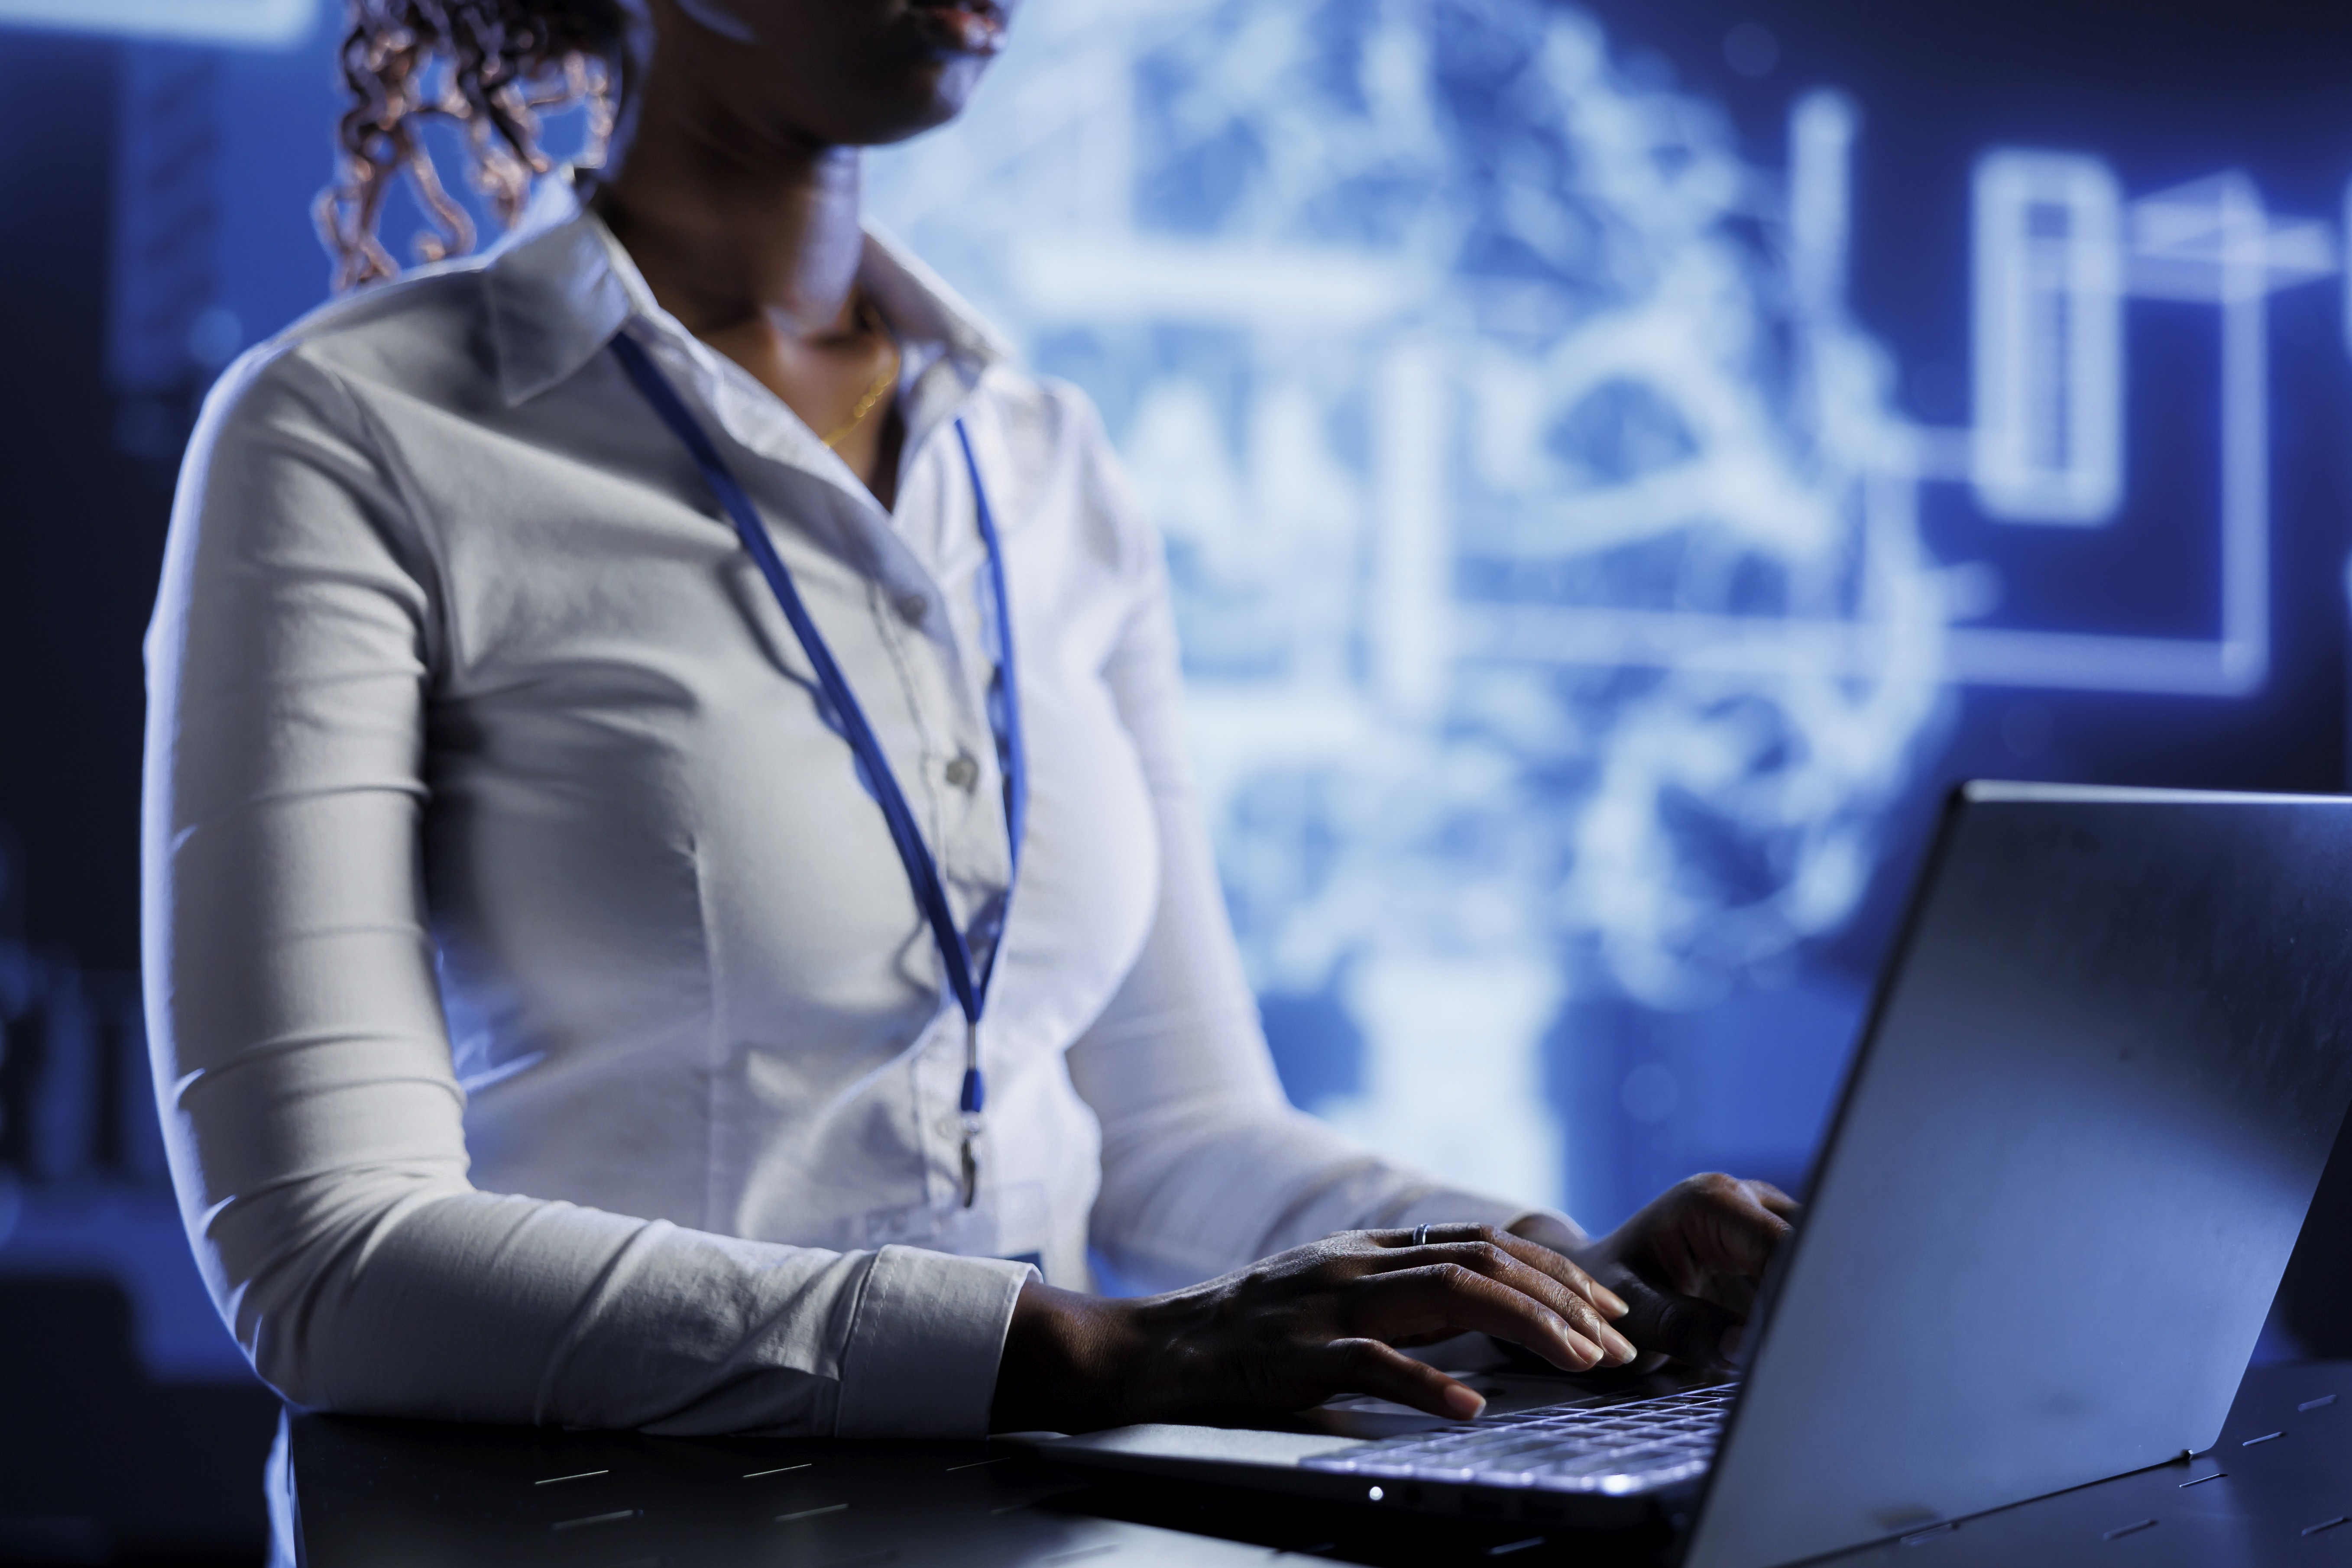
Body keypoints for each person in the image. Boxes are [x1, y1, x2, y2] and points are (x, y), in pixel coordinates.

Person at [142, 0, 1798, 1445]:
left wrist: (1564, 1279)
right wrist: (1079, 1349)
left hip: (1054, 1522)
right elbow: (327, 1257)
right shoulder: (354, 430)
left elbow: (1177, 1138)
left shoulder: (1047, 458)